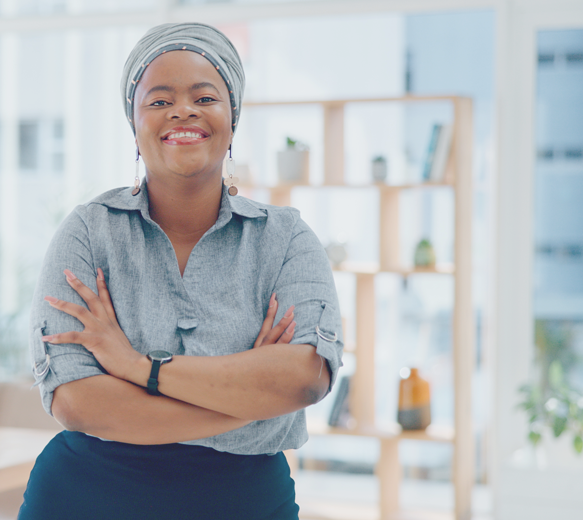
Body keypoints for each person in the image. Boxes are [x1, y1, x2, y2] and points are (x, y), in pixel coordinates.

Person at [18, 22, 344, 520]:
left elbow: (304, 378)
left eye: (205, 97)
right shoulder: (87, 232)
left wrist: (136, 367)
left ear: (232, 118)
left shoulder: (286, 239)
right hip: (86, 498)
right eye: (158, 99)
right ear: (134, 123)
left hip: (244, 503)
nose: (182, 111)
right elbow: (77, 402)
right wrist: (251, 399)